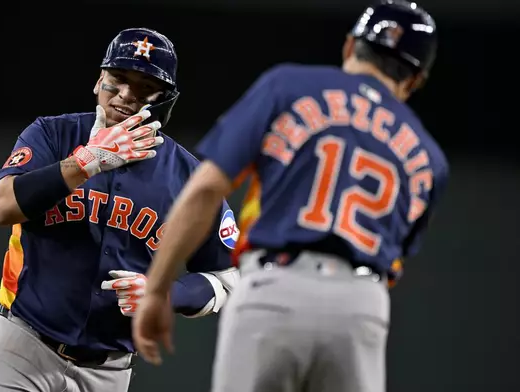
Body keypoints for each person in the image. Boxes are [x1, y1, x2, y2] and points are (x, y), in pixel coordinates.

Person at [133, 2, 449, 391]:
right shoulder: (430, 157)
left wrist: (157, 288)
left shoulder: (288, 87)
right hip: (361, 303)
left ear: (350, 46)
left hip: (275, 288)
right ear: (416, 79)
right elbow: (396, 257)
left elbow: (205, 190)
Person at [0, 27, 239, 392]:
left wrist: (165, 295)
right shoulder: (53, 135)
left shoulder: (189, 177)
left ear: (165, 100)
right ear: (100, 80)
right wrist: (85, 162)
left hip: (109, 369)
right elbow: (4, 206)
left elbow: (230, 278)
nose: (127, 95)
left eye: (145, 87)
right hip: (24, 345)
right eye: (118, 79)